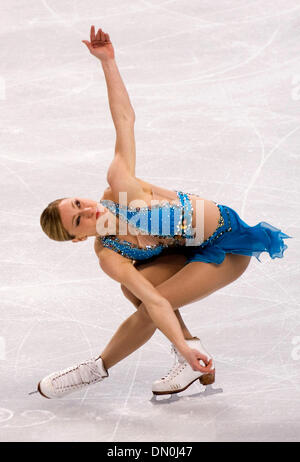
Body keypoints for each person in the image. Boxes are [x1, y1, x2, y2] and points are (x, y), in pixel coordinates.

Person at [36, 26, 292, 399]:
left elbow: (124, 119)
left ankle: (98, 367)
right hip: (189, 253)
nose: (88, 210)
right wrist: (183, 344)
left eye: (78, 203)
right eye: (79, 220)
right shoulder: (109, 254)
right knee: (135, 290)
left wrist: (108, 62)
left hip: (229, 245)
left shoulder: (120, 190)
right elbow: (152, 298)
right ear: (77, 238)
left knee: (151, 304)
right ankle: (188, 350)